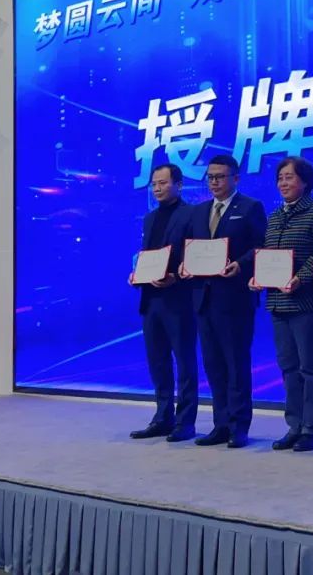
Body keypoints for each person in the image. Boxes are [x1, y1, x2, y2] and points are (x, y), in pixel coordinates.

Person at [179, 154, 266, 449]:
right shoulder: (199, 211)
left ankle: (239, 426)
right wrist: (184, 265)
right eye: (210, 177)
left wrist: (241, 264)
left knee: (236, 364)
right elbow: (189, 249)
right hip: (203, 298)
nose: (214, 182)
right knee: (213, 365)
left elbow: (261, 247)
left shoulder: (250, 207)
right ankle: (220, 424)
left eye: (220, 177)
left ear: (235, 178)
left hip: (235, 299)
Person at [249, 156, 313, 452]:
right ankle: (294, 425)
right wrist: (259, 277)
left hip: (306, 302)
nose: (283, 183)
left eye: (289, 177)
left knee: (311, 368)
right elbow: (269, 255)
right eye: (280, 178)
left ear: (305, 182)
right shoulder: (275, 216)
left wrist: (301, 277)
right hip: (278, 302)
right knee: (288, 366)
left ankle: (312, 429)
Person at [129, 163, 198, 443]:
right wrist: (137, 274)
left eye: (163, 183)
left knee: (184, 361)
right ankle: (162, 417)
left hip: (179, 298)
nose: (157, 188)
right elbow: (147, 255)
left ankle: (186, 422)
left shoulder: (191, 214)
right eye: (154, 184)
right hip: (151, 298)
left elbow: (195, 257)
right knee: (157, 361)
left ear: (178, 185)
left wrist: (175, 277)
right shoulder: (149, 218)